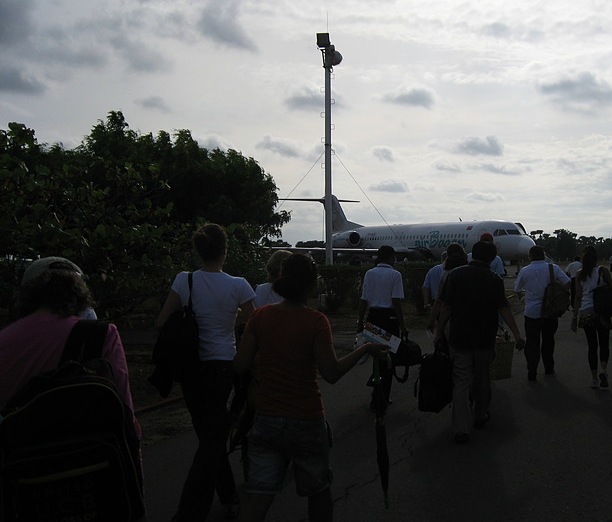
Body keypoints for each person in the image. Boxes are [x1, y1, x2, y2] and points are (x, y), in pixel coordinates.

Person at [234, 254, 388, 522]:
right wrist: (366, 348)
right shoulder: (316, 322)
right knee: (318, 494)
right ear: (312, 284)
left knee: (258, 497)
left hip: (266, 417)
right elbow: (331, 373)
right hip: (305, 418)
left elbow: (240, 366)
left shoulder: (260, 316)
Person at [156, 223, 256, 522]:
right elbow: (256, 325)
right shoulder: (239, 285)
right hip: (223, 366)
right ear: (225, 251)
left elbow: (161, 322)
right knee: (213, 437)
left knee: (209, 434)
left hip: (190, 367)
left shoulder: (183, 281)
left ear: (199, 251)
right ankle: (192, 511)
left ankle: (226, 498)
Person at [0, 257, 138, 432]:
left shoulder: (5, 339)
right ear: (79, 291)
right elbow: (123, 401)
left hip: (19, 452)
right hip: (86, 449)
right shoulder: (101, 334)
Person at [434, 241, 525, 444]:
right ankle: (480, 415)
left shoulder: (455, 275)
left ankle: (460, 428)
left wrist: (439, 332)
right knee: (482, 379)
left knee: (461, 381)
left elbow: (446, 307)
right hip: (484, 339)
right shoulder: (493, 279)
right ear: (492, 259)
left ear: (472, 254)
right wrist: (517, 334)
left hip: (459, 338)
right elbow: (504, 309)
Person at [357, 245, 407, 405]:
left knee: (377, 356)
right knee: (389, 357)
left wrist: (360, 321)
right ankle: (383, 394)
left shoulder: (369, 273)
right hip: (389, 319)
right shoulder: (395, 275)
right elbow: (396, 301)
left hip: (373, 317)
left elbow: (363, 299)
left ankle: (376, 391)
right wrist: (403, 325)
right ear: (391, 257)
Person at [514, 246, 570, 380]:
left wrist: (524, 295)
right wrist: (557, 293)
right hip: (550, 311)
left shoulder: (525, 271)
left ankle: (532, 370)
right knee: (548, 341)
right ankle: (549, 367)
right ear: (543, 256)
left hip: (532, 312)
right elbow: (567, 282)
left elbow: (517, 289)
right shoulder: (553, 268)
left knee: (532, 342)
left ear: (530, 256)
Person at [571, 245, 612, 389]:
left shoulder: (579, 274)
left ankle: (594, 379)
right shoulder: (603, 271)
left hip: (586, 311)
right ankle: (604, 369)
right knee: (604, 343)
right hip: (602, 311)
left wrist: (574, 316)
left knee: (592, 346)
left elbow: (578, 296)